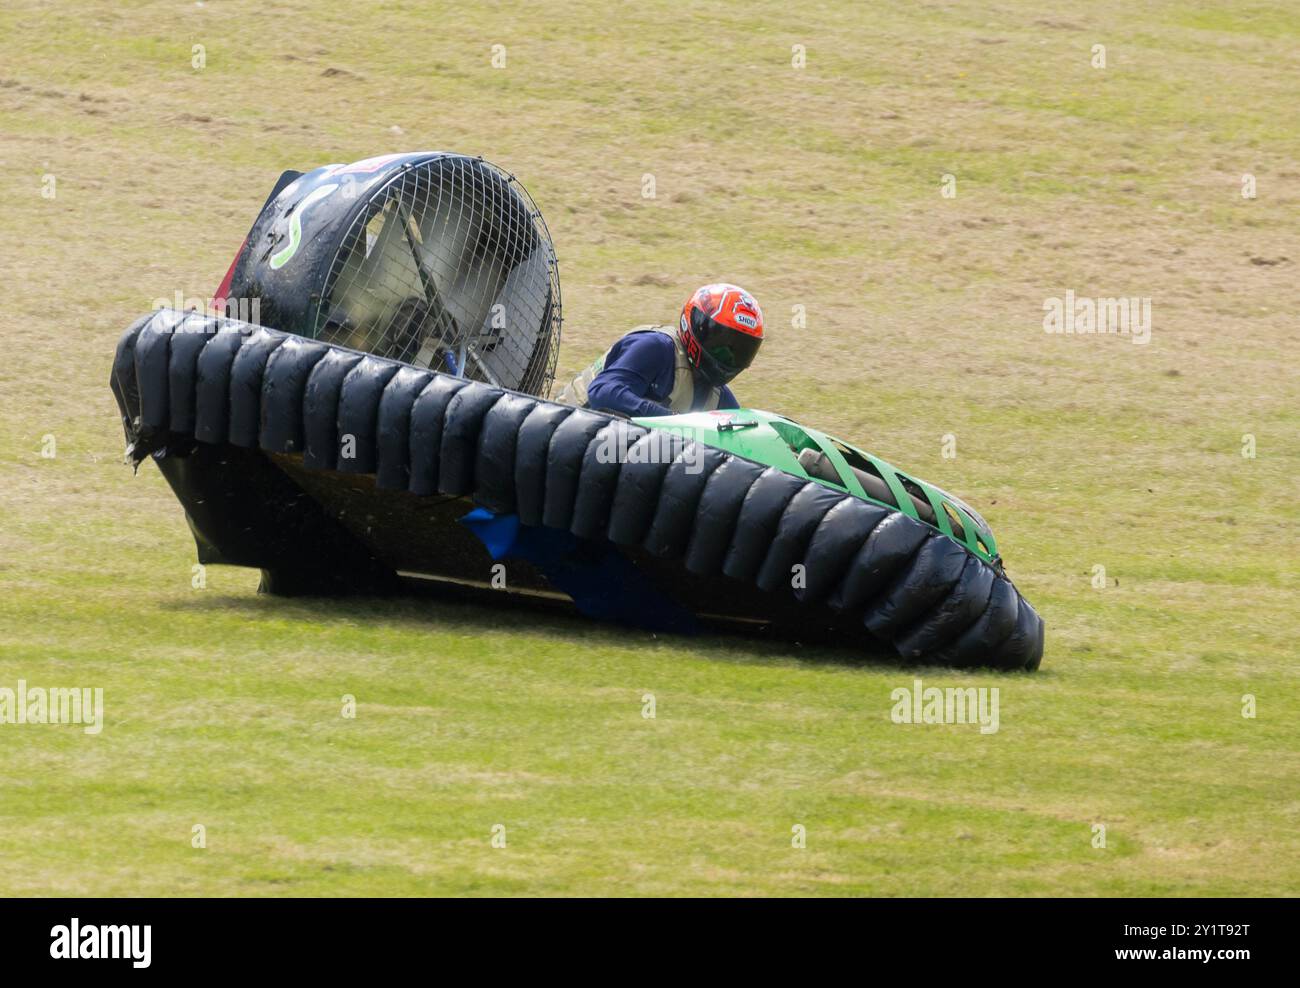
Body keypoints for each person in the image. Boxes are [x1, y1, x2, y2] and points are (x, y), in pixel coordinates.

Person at [557, 283, 764, 417]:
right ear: (697, 327)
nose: (729, 357)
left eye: (742, 351)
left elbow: (741, 431)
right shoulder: (656, 348)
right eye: (722, 345)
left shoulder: (717, 396)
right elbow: (603, 392)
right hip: (567, 426)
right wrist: (673, 420)